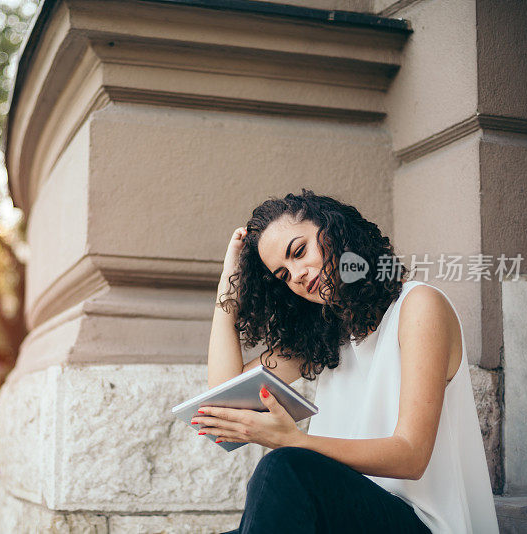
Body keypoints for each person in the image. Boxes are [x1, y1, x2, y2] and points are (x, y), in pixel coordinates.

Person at [190, 190, 498, 533]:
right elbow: (224, 395)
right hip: (344, 517)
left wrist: (293, 440)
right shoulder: (328, 333)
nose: (297, 275)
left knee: (284, 468)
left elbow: (412, 455)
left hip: (423, 523)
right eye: (282, 275)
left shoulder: (419, 306)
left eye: (299, 251)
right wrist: (227, 290)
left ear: (335, 230)